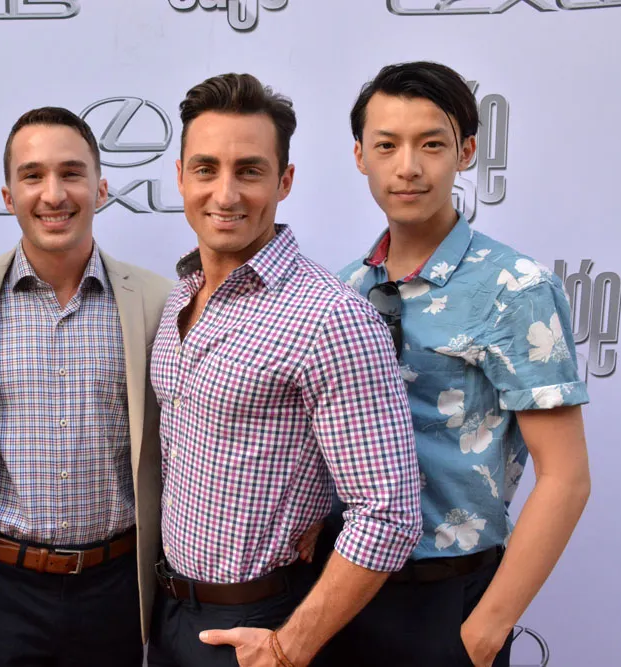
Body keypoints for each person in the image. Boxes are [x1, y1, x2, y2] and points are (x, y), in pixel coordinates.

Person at [145, 73, 423, 667]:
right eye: (205, 169)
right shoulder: (181, 295)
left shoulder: (330, 317)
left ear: (284, 180)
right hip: (167, 613)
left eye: (249, 170)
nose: (225, 194)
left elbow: (389, 513)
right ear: (180, 177)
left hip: (261, 624)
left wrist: (286, 649)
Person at [323, 61, 591, 667]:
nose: (408, 166)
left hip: (449, 599)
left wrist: (484, 631)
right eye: (386, 145)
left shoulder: (515, 288)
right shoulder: (344, 289)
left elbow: (567, 477)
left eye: (431, 144)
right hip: (339, 591)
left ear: (466, 151)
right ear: (360, 156)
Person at [0, 106, 171, 666]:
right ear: (7, 195)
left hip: (115, 590)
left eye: (71, 173)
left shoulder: (157, 302)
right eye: (33, 175)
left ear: (102, 188)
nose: (53, 194)